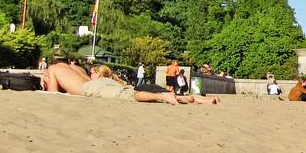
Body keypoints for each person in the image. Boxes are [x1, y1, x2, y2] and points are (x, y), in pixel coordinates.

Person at [42, 62, 216, 105]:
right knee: (128, 92)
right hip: (102, 84)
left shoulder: (53, 70)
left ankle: (163, 96)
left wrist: (48, 82)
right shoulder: (73, 68)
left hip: (91, 88)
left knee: (129, 96)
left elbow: (53, 94)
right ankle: (188, 99)